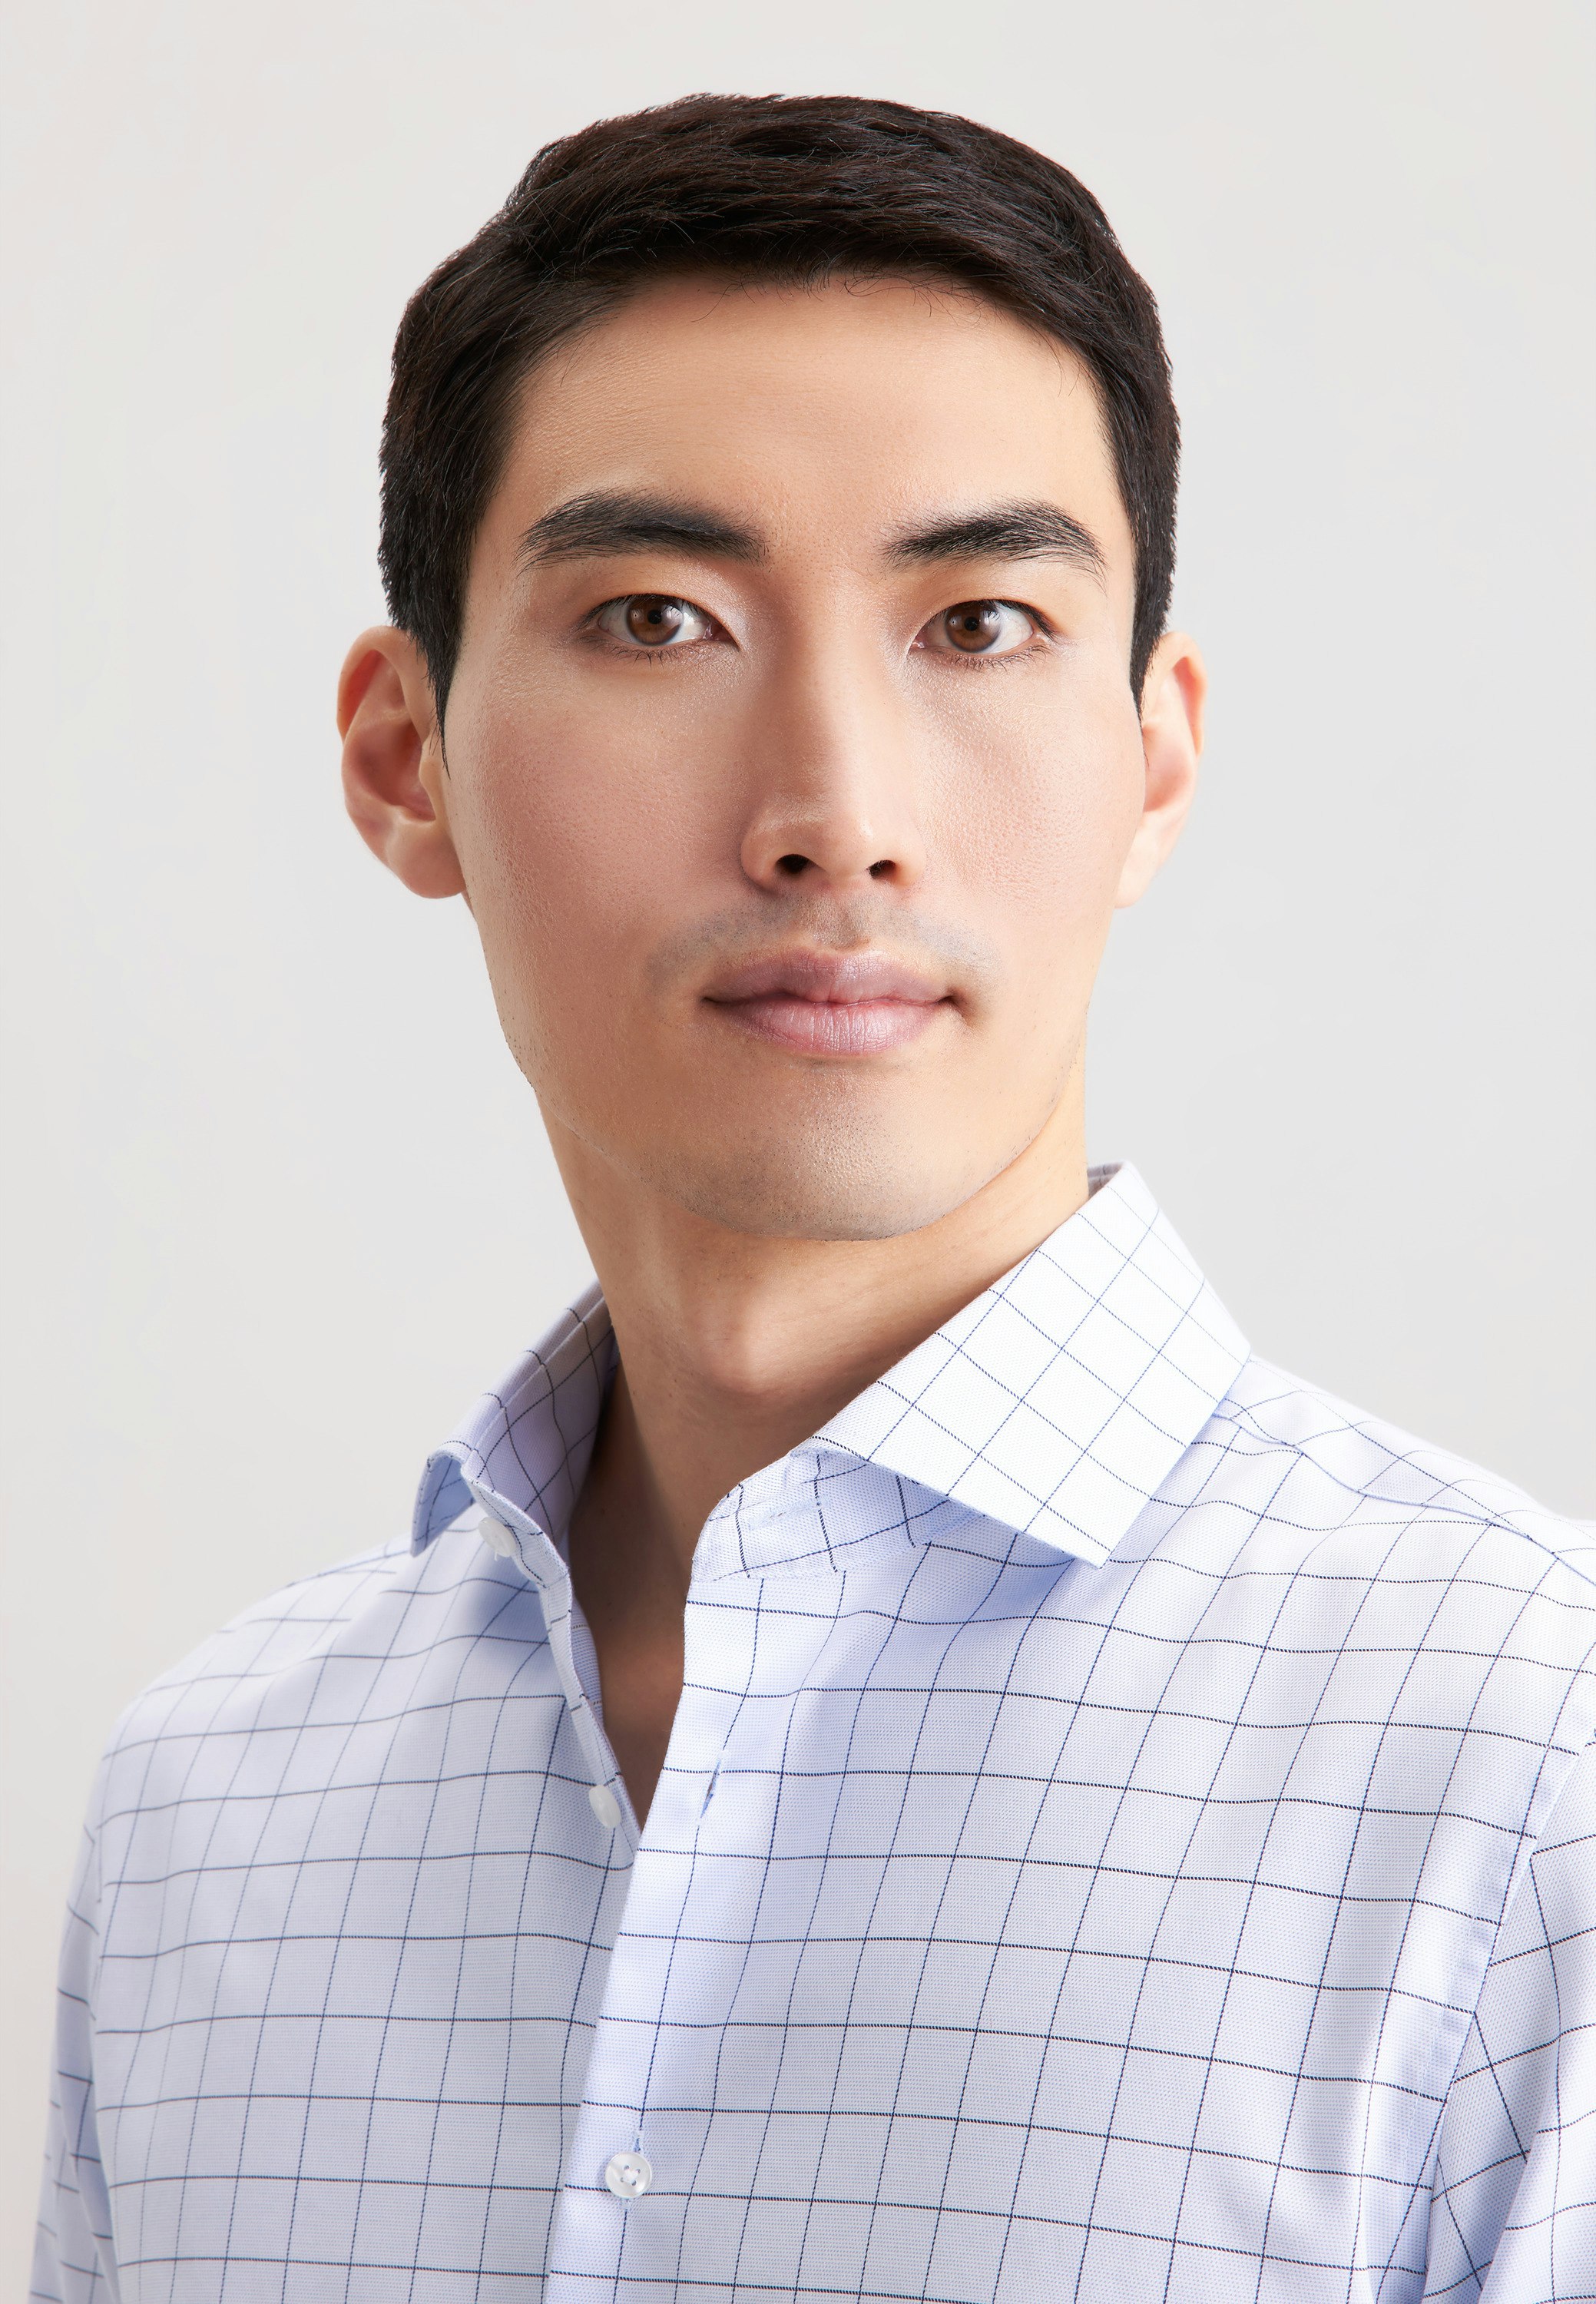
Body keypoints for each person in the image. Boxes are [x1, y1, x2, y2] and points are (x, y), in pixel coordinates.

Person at [35, 92, 1594, 2304]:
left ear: (1154, 757)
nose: (835, 815)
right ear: (406, 760)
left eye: (981, 624)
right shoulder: (212, 1809)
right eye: (658, 619)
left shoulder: (1531, 1773)